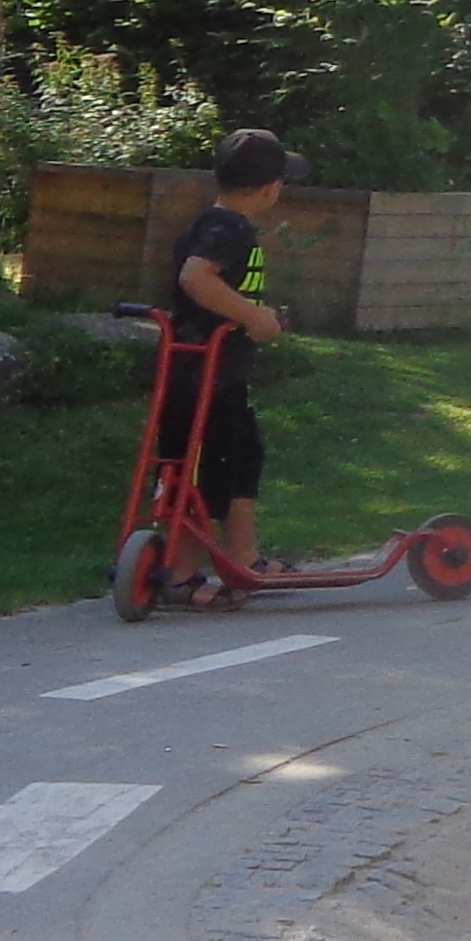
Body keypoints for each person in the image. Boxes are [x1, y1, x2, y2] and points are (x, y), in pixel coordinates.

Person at [155, 129, 298, 594]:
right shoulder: (229, 230)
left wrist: (254, 314)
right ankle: (193, 572)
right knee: (204, 468)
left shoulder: (208, 223)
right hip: (206, 376)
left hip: (207, 374)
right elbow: (196, 278)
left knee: (226, 459)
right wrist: (254, 316)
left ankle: (234, 558)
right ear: (271, 187)